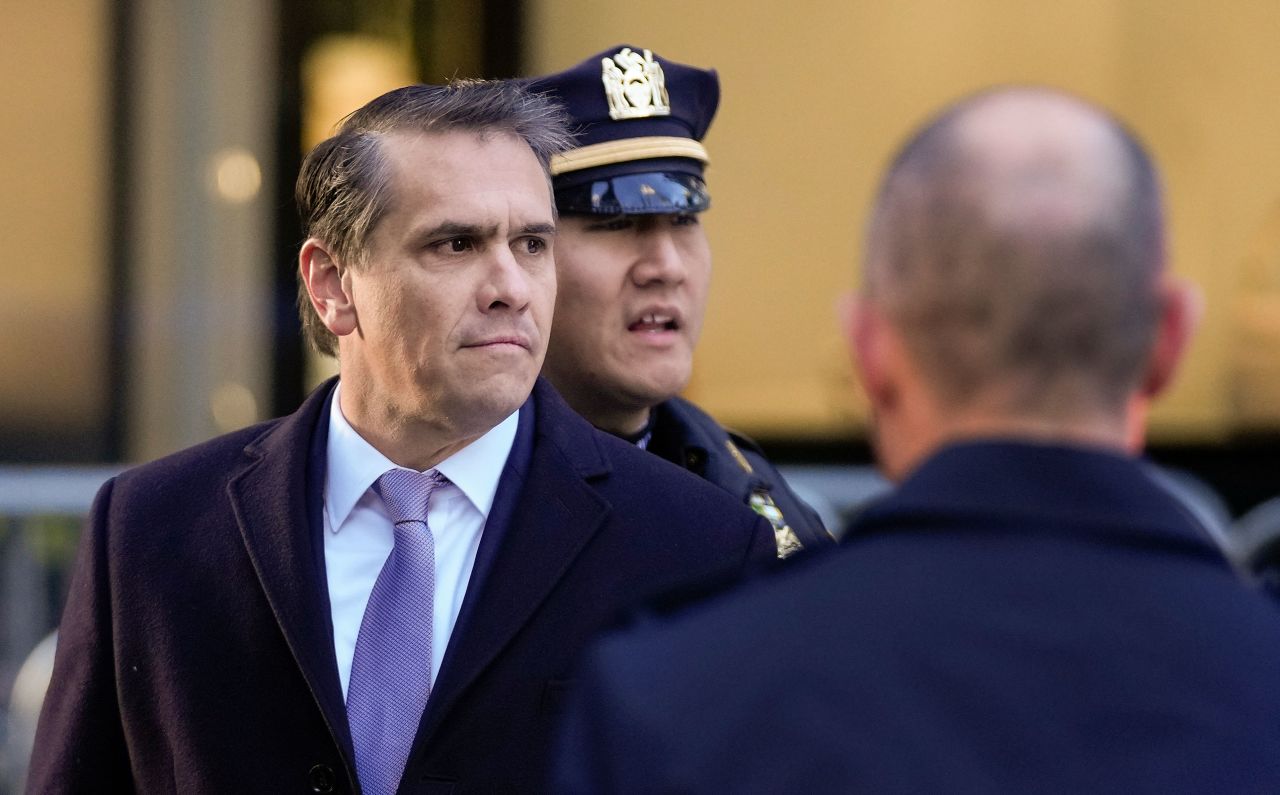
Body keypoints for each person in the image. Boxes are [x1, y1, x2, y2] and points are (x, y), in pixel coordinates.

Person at [29, 80, 774, 794]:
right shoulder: (151, 529)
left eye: (533, 245)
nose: (509, 285)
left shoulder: (696, 547)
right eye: (455, 244)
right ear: (332, 284)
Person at [554, 87, 1280, 793]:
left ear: (870, 353)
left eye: (685, 224)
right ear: (1170, 342)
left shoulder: (671, 697)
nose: (664, 262)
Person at [524, 46, 832, 557]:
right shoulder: (464, 496)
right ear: (525, 254)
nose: (665, 267)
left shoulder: (741, 480)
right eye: (616, 223)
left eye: (684, 220)